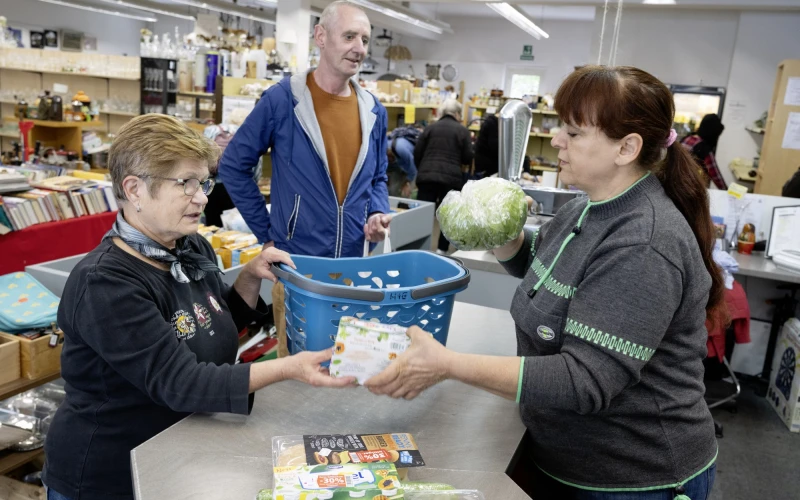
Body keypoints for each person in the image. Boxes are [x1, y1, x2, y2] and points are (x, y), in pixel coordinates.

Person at [367, 66, 724, 500]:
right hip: (565, 457)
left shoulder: (645, 241)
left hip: (633, 477)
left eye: (573, 133)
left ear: (627, 148)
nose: (556, 140)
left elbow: (584, 380)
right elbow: (544, 266)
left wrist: (448, 364)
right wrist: (499, 229)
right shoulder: (587, 209)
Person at [41, 115, 354, 500]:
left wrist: (251, 276)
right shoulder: (106, 283)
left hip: (177, 453)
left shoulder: (190, 248)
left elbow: (208, 324)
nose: (203, 196)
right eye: (185, 183)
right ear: (135, 189)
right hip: (110, 475)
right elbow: (181, 382)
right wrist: (287, 369)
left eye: (203, 182)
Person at [217, 0, 391, 357]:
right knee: (296, 377)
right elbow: (233, 165)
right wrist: (268, 234)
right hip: (299, 272)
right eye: (349, 36)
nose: (359, 48)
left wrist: (377, 213)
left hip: (355, 271)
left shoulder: (374, 111)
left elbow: (378, 177)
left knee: (347, 368)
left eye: (365, 39)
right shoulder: (283, 101)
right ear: (321, 37)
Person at [414, 98, 474, 254]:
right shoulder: (463, 131)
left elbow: (417, 152)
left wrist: (422, 169)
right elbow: (468, 157)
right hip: (451, 179)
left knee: (422, 214)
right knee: (448, 216)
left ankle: (419, 248)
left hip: (427, 177)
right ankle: (442, 249)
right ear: (456, 114)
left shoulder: (430, 128)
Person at [681, 113, 727, 190]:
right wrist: (726, 191)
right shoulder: (704, 149)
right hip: (688, 188)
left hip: (675, 183)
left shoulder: (687, 138)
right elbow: (715, 176)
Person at [473, 114, 499, 178]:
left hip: (483, 165)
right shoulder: (492, 124)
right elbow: (494, 146)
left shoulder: (490, 122)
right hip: (486, 168)